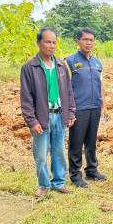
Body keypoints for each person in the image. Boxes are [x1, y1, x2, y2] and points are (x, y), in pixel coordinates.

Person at [20, 28, 76, 198]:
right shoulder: (30, 67)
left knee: (58, 151)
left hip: (59, 116)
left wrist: (71, 112)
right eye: (47, 42)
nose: (52, 46)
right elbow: (26, 97)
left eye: (54, 42)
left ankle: (58, 183)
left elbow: (68, 91)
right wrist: (32, 121)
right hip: (41, 118)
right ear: (38, 43)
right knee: (41, 154)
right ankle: (43, 185)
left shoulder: (60, 65)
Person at [65, 28, 107, 189]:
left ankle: (91, 169)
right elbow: (65, 88)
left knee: (91, 141)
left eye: (91, 40)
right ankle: (75, 175)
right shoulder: (69, 62)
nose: (89, 43)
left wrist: (103, 104)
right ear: (78, 42)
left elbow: (100, 84)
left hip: (95, 107)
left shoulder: (97, 63)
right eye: (85, 39)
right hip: (78, 108)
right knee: (76, 142)